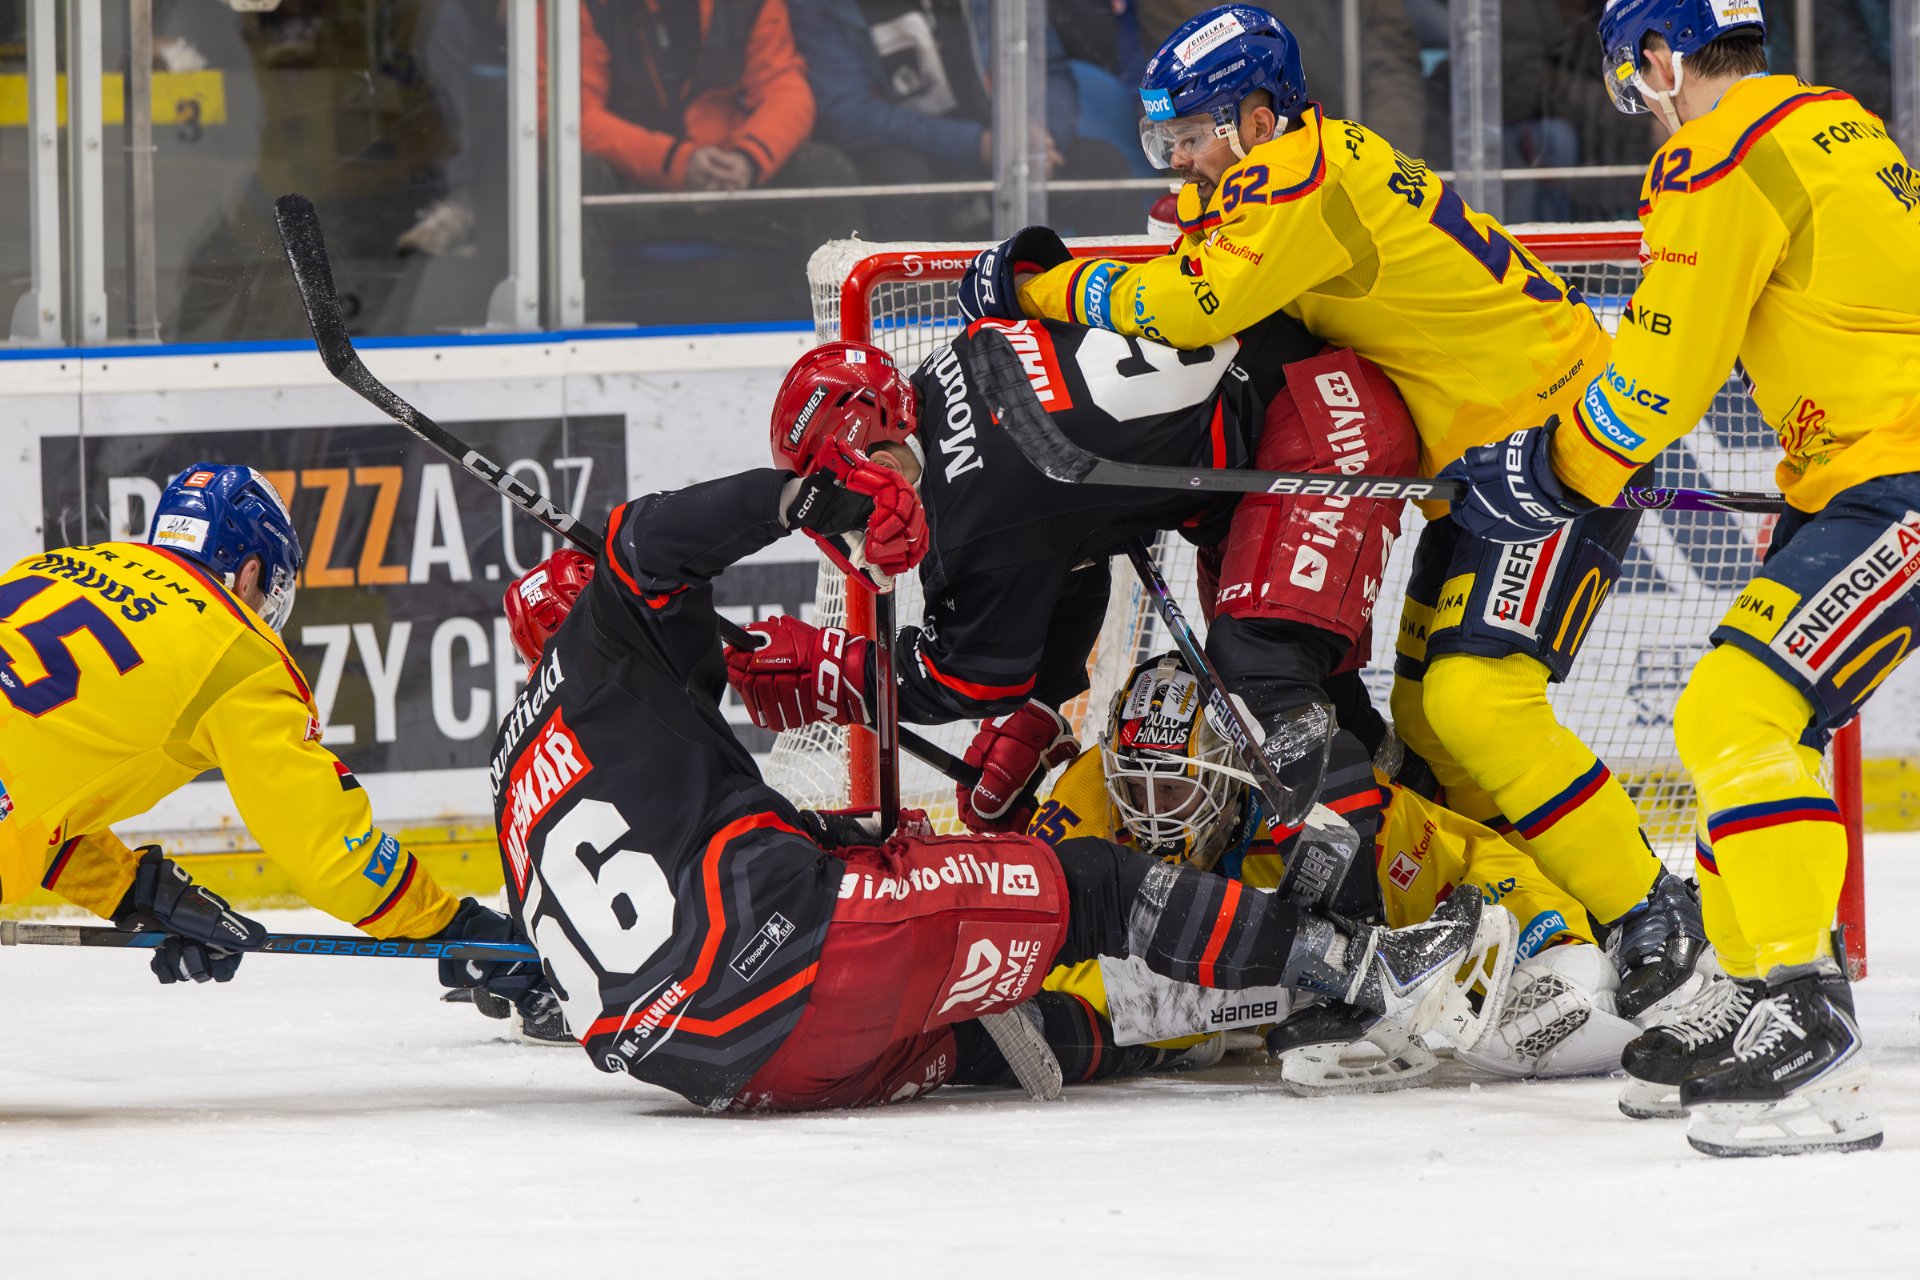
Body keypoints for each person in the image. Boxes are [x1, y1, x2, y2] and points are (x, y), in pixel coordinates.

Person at [959, 4, 1707, 1025]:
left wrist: (1039, 285)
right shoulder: (1301, 168)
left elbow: (1189, 309)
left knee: (1478, 702)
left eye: (1196, 135)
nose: (1182, 161)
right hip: (1495, 454)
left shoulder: (1294, 174)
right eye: (1166, 140)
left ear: (1259, 119)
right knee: (1433, 725)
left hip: (1562, 437)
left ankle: (1650, 910)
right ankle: (1550, 908)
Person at [491, 388, 1492, 1111]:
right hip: (797, 959)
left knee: (987, 1029)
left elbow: (692, 864)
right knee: (1092, 885)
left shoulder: (522, 766)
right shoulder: (604, 644)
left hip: (720, 1068)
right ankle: (1366, 968)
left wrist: (859, 837)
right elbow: (648, 541)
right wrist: (800, 502)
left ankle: (1171, 1035)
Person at [1444, 0, 1920, 1157]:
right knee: (1744, 720)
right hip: (1856, 475)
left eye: (1631, 81)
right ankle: (1760, 991)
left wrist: (1548, 471)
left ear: (1659, 59)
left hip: (1897, 475)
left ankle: (1808, 1020)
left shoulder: (1718, 150)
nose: (1642, 105)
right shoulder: (1835, 121)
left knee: (1734, 711)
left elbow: (1660, 376)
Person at [726, 318, 1420, 930]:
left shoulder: (978, 502)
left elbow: (965, 677)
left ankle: (1364, 946)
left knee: (1263, 682)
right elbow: (1071, 549)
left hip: (1315, 428)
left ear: (880, 459)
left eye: (845, 504)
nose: (853, 531)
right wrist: (1042, 699)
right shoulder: (949, 369)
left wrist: (837, 676)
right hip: (1288, 408)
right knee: (1303, 685)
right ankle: (1425, 819)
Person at [0, 464, 545, 1022]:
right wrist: (456, 930)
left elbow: (31, 799)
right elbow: (330, 853)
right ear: (250, 571)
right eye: (272, 586)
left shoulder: (51, 566)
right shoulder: (237, 652)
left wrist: (139, 892)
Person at [1032, 649, 1641, 1090]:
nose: (1150, 816)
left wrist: (1554, 941)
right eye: (1132, 789)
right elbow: (1045, 956)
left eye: (1172, 791)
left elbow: (1473, 859)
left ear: (1233, 768)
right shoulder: (1085, 798)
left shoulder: (1305, 801)